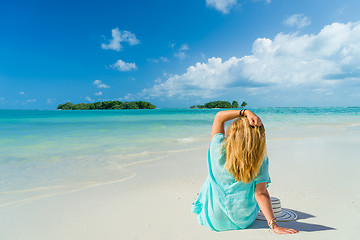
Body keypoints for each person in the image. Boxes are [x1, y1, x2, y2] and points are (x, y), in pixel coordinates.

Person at [191, 109, 298, 234]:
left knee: (211, 178)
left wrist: (245, 112)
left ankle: (203, 198)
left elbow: (219, 117)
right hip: (243, 221)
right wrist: (274, 225)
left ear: (233, 132)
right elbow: (260, 194)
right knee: (258, 186)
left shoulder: (217, 149)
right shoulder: (260, 160)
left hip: (215, 221)